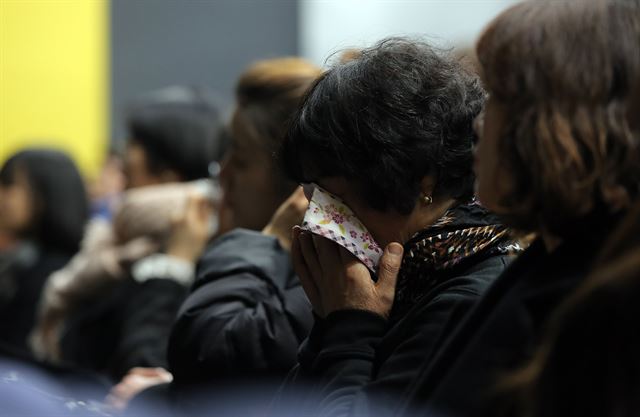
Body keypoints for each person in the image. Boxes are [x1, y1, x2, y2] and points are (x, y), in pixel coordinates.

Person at [400, 1, 640, 416]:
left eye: (498, 98)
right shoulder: (554, 256)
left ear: (552, 122)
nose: (479, 123)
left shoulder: (602, 305)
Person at [273, 38, 520, 416]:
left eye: (336, 196)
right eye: (314, 194)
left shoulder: (469, 299)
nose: (322, 218)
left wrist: (349, 328)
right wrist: (326, 323)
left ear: (422, 180)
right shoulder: (404, 275)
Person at [30, 86, 227, 382]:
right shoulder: (123, 239)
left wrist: (173, 266)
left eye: (134, 144)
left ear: (169, 171)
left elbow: (143, 365)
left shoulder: (191, 245)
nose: (122, 157)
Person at [0, 149, 89, 356]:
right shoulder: (23, 261)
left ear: (45, 192)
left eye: (10, 185)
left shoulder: (58, 274)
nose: (2, 197)